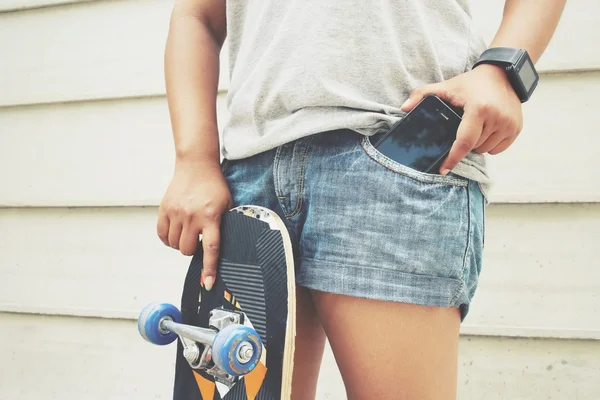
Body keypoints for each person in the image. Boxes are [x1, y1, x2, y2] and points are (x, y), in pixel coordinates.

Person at [156, 1, 565, 398]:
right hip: (249, 177)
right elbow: (197, 14)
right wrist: (194, 160)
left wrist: (503, 70)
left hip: (395, 155)